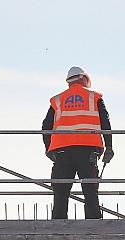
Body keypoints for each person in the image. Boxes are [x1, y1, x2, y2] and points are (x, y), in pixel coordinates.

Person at [42, 66, 114, 219]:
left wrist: (48, 148)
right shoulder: (94, 97)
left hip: (62, 151)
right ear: (84, 79)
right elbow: (105, 122)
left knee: (61, 192)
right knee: (90, 191)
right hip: (88, 150)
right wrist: (109, 146)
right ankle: (93, 225)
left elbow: (46, 126)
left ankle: (58, 226)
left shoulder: (58, 100)